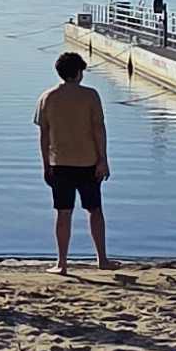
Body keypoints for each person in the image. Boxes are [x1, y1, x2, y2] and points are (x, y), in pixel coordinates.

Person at [36, 47, 111, 273]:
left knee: (63, 213)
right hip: (88, 161)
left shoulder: (47, 97)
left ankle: (62, 263)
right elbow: (98, 129)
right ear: (78, 72)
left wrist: (45, 164)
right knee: (95, 210)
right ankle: (102, 259)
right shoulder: (91, 96)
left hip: (59, 163)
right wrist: (103, 160)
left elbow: (44, 135)